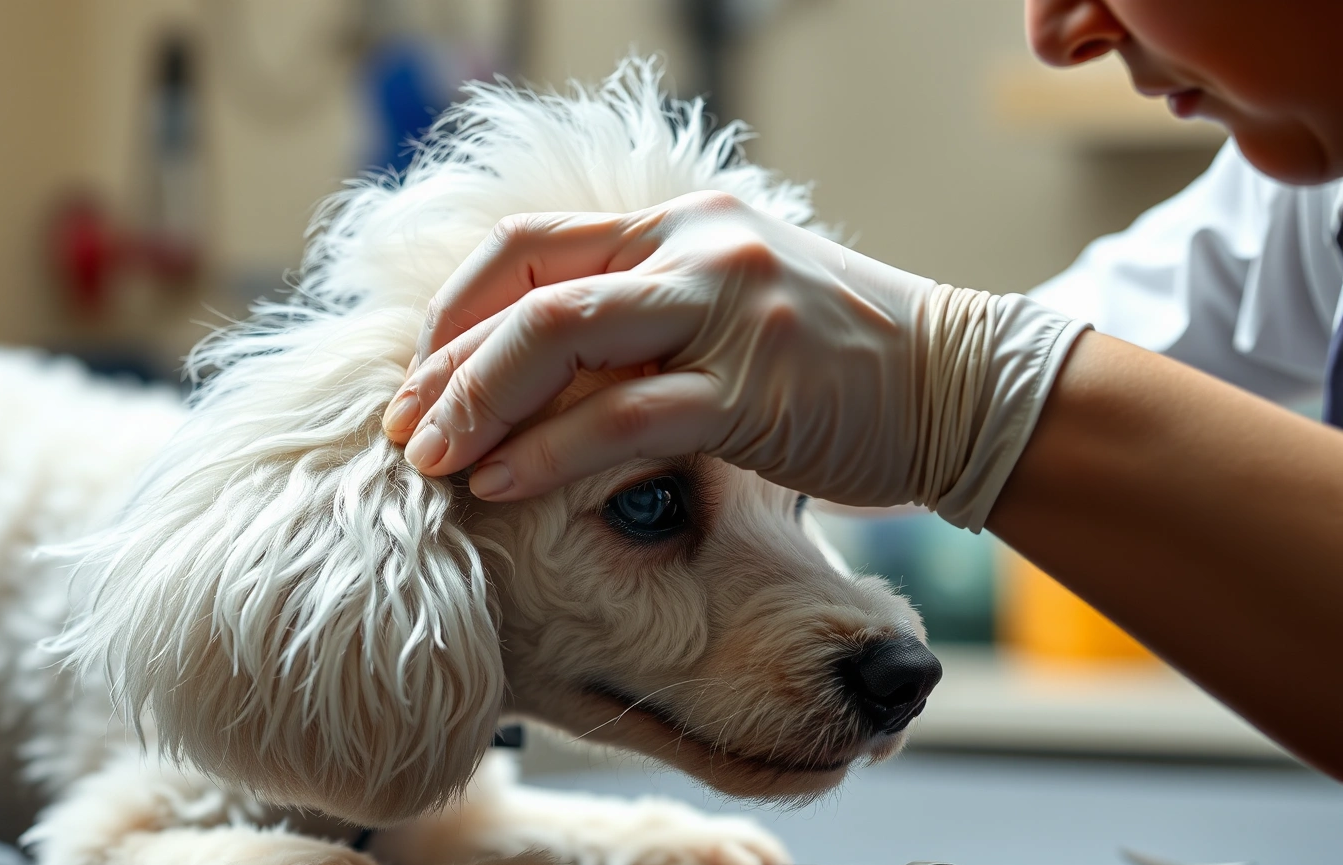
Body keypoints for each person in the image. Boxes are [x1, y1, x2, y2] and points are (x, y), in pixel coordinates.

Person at [381, 1, 1343, 776]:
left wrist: (959, 395)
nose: (1055, 30)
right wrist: (932, 396)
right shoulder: (1294, 203)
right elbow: (1086, 390)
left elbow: (1021, 402)